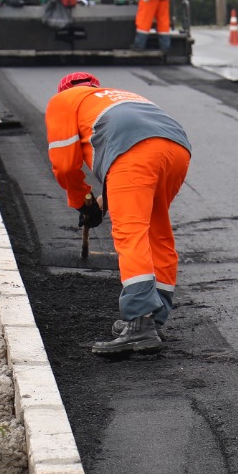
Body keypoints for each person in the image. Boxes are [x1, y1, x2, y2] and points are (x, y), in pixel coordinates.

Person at [45, 72, 192, 356]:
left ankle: (139, 322)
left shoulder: (63, 100)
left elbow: (64, 165)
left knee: (131, 232)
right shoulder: (118, 96)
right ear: (94, 86)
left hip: (133, 155)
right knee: (155, 230)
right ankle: (155, 318)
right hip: (176, 150)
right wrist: (100, 201)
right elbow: (136, 146)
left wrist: (82, 201)